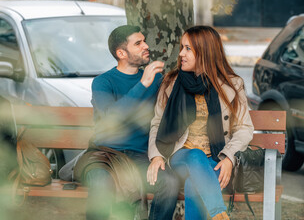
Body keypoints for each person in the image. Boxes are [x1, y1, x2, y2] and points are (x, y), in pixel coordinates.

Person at [147, 26, 254, 220]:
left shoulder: (232, 85)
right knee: (195, 156)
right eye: (182, 47)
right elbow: (157, 124)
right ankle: (219, 215)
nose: (181, 54)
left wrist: (229, 158)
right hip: (179, 156)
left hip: (216, 158)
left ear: (205, 52)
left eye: (188, 49)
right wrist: (156, 156)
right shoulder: (171, 82)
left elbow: (244, 129)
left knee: (193, 184)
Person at [73, 25, 180, 220]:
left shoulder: (156, 80)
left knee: (170, 183)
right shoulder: (103, 82)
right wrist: (143, 85)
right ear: (121, 53)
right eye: (138, 43)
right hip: (104, 155)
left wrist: (158, 156)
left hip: (139, 158)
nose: (146, 46)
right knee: (101, 185)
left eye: (144, 41)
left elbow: (170, 113)